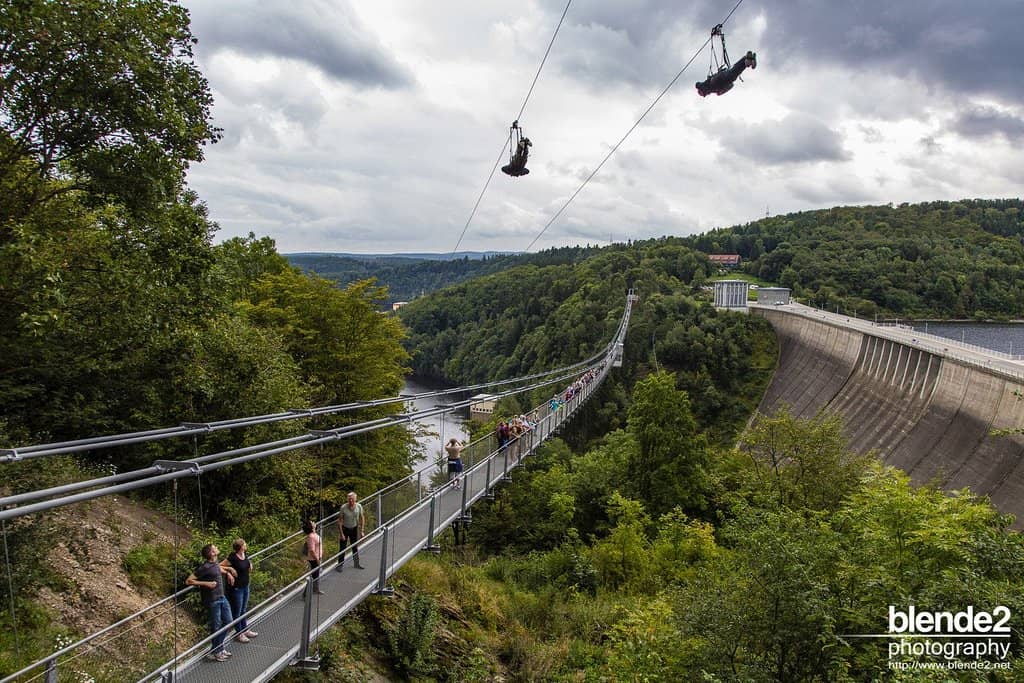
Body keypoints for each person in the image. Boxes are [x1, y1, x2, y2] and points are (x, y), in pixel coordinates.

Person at [186, 543, 237, 662]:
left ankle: (217, 648)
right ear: (212, 553)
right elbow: (189, 580)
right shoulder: (204, 567)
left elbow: (218, 568)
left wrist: (228, 571)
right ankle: (217, 651)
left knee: (229, 621)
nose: (217, 548)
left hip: (222, 597)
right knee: (216, 626)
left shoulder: (214, 563)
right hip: (213, 600)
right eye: (215, 548)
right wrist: (206, 584)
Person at [221, 538, 258, 643]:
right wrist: (229, 571)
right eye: (244, 544)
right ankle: (239, 633)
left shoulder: (245, 555)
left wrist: (250, 564)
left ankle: (245, 629)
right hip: (237, 588)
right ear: (241, 547)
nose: (246, 545)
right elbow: (220, 565)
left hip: (246, 585)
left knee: (243, 609)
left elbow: (246, 563)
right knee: (237, 611)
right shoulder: (232, 557)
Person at [336, 492, 365, 572]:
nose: (351, 501)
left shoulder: (359, 506)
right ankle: (340, 565)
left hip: (354, 528)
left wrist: (362, 530)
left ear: (355, 499)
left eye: (352, 499)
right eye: (349, 499)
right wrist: (341, 534)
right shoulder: (343, 508)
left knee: (354, 547)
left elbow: (362, 518)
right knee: (342, 547)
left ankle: (356, 563)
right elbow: (340, 521)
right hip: (345, 529)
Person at [301, 520, 324, 594]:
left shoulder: (313, 534)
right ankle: (306, 593)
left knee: (316, 575)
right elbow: (311, 550)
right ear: (311, 527)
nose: (314, 522)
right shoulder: (311, 537)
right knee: (314, 576)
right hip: (314, 559)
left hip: (317, 557)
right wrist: (317, 559)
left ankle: (315, 589)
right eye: (312, 522)